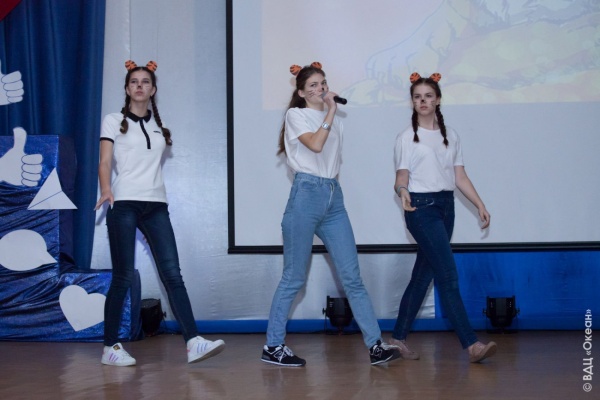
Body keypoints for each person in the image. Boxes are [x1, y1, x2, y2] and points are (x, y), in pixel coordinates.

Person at [261, 62, 400, 367]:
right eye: (313, 85)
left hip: (333, 197)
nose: (320, 88)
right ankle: (273, 345)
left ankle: (375, 345)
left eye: (322, 83)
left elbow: (331, 160)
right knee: (294, 277)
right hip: (306, 195)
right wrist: (331, 111)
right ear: (301, 92)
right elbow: (315, 145)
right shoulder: (296, 115)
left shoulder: (335, 122)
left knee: (352, 277)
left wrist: (330, 114)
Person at [95, 60, 225, 367]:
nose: (139, 86)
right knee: (123, 276)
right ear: (127, 89)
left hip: (156, 205)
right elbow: (105, 161)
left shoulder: (158, 126)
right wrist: (106, 189)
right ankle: (110, 347)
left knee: (172, 274)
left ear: (153, 90)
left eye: (145, 82)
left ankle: (193, 341)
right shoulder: (113, 120)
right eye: (134, 82)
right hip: (124, 202)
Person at [390, 72, 496, 363]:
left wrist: (479, 204)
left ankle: (397, 339)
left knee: (422, 277)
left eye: (428, 96)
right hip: (421, 209)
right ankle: (472, 345)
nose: (422, 101)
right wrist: (402, 191)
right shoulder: (406, 138)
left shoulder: (451, 136)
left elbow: (459, 177)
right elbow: (401, 176)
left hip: (446, 207)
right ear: (412, 102)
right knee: (447, 275)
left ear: (437, 100)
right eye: (417, 97)